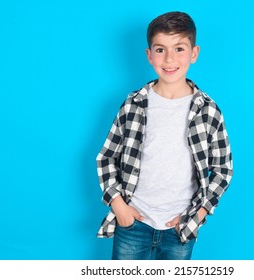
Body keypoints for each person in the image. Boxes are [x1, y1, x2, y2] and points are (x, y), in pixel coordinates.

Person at [96, 11, 233, 260]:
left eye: (179, 48)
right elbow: (106, 158)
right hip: (133, 223)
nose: (169, 58)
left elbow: (223, 170)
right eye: (160, 50)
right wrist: (119, 207)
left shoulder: (208, 110)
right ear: (149, 55)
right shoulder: (133, 104)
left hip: (179, 228)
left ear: (194, 53)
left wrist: (198, 215)